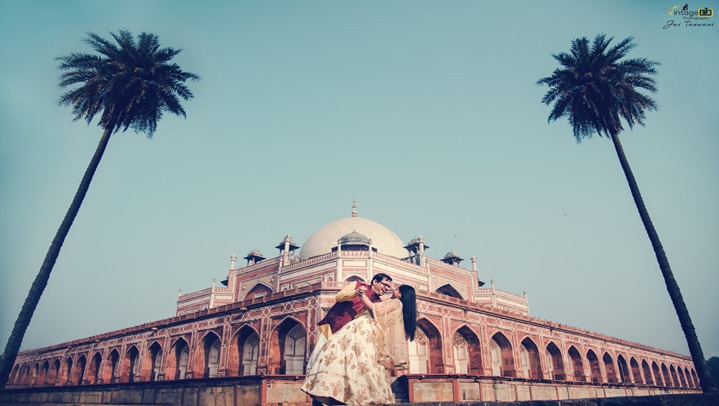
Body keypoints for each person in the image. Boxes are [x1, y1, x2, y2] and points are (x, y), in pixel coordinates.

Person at [302, 285, 417, 405]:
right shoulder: (399, 306)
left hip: (363, 330)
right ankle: (349, 392)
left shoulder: (396, 303)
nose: (393, 289)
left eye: (397, 289)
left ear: (402, 294)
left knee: (341, 352)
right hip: (365, 331)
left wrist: (362, 295)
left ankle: (338, 390)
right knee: (357, 361)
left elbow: (373, 308)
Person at [306, 273, 393, 372]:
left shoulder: (377, 302)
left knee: (334, 362)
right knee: (317, 357)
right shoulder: (357, 285)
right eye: (385, 285)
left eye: (389, 287)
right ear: (375, 282)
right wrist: (355, 293)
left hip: (347, 335)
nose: (386, 288)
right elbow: (339, 297)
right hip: (332, 326)